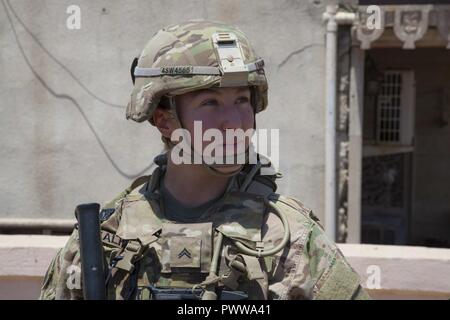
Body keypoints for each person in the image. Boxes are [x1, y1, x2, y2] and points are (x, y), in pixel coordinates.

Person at [39, 20, 370, 300]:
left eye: (242, 99)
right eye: (210, 102)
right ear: (164, 119)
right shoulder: (106, 236)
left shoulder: (288, 236)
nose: (235, 121)